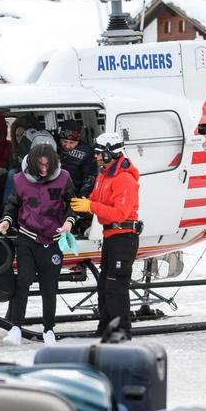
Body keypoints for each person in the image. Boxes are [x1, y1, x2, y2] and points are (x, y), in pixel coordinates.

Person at [0, 142, 77, 345]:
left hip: (53, 240)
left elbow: (74, 205)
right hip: (27, 238)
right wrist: (6, 220)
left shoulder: (64, 178)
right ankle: (15, 328)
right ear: (32, 163)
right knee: (23, 280)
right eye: (40, 165)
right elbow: (13, 204)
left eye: (48, 165)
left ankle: (49, 330)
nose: (44, 169)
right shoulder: (19, 179)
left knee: (48, 287)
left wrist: (69, 222)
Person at [70, 132, 140, 337]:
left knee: (116, 286)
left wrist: (90, 206)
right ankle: (105, 328)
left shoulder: (124, 179)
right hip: (110, 236)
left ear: (110, 154)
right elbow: (94, 199)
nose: (96, 156)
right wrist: (77, 205)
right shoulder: (104, 174)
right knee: (104, 285)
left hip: (123, 237)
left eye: (100, 153)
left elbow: (120, 213)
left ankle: (122, 330)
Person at [58, 121, 97, 197]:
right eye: (64, 142)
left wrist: (81, 198)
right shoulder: (53, 146)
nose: (67, 146)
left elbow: (89, 178)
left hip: (75, 193)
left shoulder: (86, 152)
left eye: (72, 143)